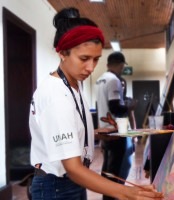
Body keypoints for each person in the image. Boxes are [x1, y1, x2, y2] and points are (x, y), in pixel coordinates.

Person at [29, 7, 163, 200]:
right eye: (84, 59)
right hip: (57, 186)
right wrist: (126, 192)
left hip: (69, 183)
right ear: (62, 53)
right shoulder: (56, 94)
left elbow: (57, 130)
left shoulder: (73, 83)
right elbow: (73, 169)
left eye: (96, 59)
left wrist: (92, 134)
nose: (91, 67)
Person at [96, 51, 137, 200]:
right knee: (117, 172)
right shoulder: (114, 80)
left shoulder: (100, 80)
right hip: (115, 131)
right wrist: (130, 107)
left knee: (107, 170)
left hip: (104, 130)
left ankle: (107, 197)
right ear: (121, 65)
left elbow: (104, 106)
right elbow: (115, 108)